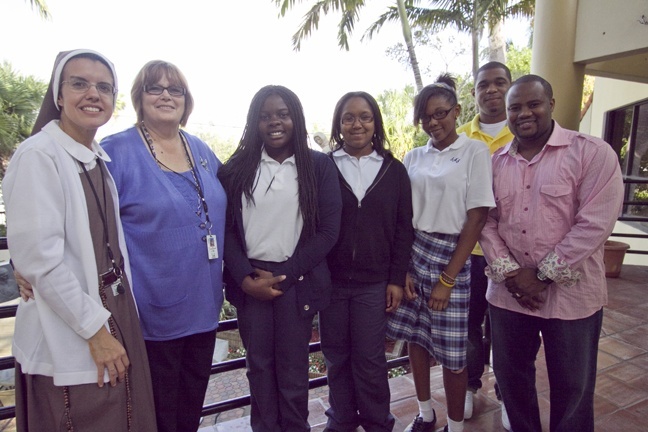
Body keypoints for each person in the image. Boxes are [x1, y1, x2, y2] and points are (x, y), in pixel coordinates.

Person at [4, 49, 156, 431]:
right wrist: (96, 332)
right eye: (79, 84)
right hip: (78, 326)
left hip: (114, 312)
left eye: (104, 87)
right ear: (58, 95)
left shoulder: (93, 159)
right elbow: (41, 261)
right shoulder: (39, 156)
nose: (93, 94)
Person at [480, 74, 624, 432]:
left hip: (572, 298)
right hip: (509, 297)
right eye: (515, 107)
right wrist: (514, 276)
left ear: (551, 104)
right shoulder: (494, 163)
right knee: (511, 382)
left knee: (573, 388)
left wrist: (541, 276)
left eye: (533, 104)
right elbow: (484, 220)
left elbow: (596, 223)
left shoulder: (591, 153)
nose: (524, 113)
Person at [101, 60, 227, 432]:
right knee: (156, 412)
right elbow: (88, 224)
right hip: (151, 312)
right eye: (155, 88)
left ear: (187, 101)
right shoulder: (116, 152)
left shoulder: (199, 148)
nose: (166, 96)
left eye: (176, 90)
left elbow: (233, 201)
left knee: (190, 405)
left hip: (204, 305)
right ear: (139, 97)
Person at [218, 85, 342, 432]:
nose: (275, 122)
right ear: (254, 122)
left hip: (297, 282)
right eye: (265, 116)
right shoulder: (237, 168)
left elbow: (328, 232)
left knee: (292, 371)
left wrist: (286, 275)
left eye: (283, 114)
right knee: (258, 368)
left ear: (295, 118)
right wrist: (245, 278)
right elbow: (224, 230)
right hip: (252, 282)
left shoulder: (318, 166)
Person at [387, 74, 495, 432]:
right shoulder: (413, 156)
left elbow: (477, 216)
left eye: (441, 113)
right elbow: (403, 216)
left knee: (453, 352)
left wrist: (447, 279)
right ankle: (425, 413)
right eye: (426, 117)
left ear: (457, 111)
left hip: (453, 255)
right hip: (415, 250)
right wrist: (402, 267)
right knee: (416, 339)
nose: (433, 122)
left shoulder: (474, 150)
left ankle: (456, 426)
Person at [320, 91, 414, 432]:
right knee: (336, 355)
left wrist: (395, 278)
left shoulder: (394, 170)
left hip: (374, 284)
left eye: (365, 116)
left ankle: (377, 421)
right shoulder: (323, 167)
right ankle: (341, 418)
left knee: (370, 358)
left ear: (375, 122)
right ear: (338, 124)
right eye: (348, 117)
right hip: (330, 283)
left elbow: (404, 229)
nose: (357, 123)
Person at [456, 61, 513, 428]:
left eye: (499, 82)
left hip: (516, 254)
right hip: (470, 253)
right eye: (483, 84)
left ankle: (510, 394)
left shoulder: (527, 130)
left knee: (509, 330)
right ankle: (469, 387)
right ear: (474, 92)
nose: (491, 90)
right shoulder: (458, 137)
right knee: (468, 327)